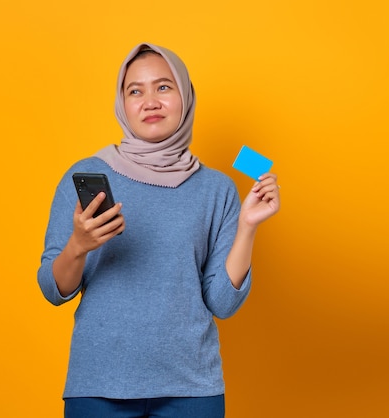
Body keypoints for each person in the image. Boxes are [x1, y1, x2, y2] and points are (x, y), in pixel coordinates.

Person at [37, 43, 280, 418]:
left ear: (185, 96)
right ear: (123, 104)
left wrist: (247, 227)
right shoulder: (84, 174)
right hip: (99, 384)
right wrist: (78, 246)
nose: (150, 101)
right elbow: (54, 290)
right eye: (136, 90)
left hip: (192, 388)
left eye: (163, 87)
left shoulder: (217, 189)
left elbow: (222, 302)